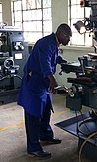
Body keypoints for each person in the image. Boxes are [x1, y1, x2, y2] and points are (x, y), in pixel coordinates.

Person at [18, 23, 72, 160]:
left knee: (46, 110)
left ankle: (46, 136)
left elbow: (52, 57)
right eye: (69, 37)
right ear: (62, 33)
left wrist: (62, 61)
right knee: (33, 114)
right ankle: (33, 148)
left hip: (44, 83)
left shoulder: (53, 43)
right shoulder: (46, 43)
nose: (69, 40)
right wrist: (53, 81)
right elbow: (45, 63)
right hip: (35, 83)